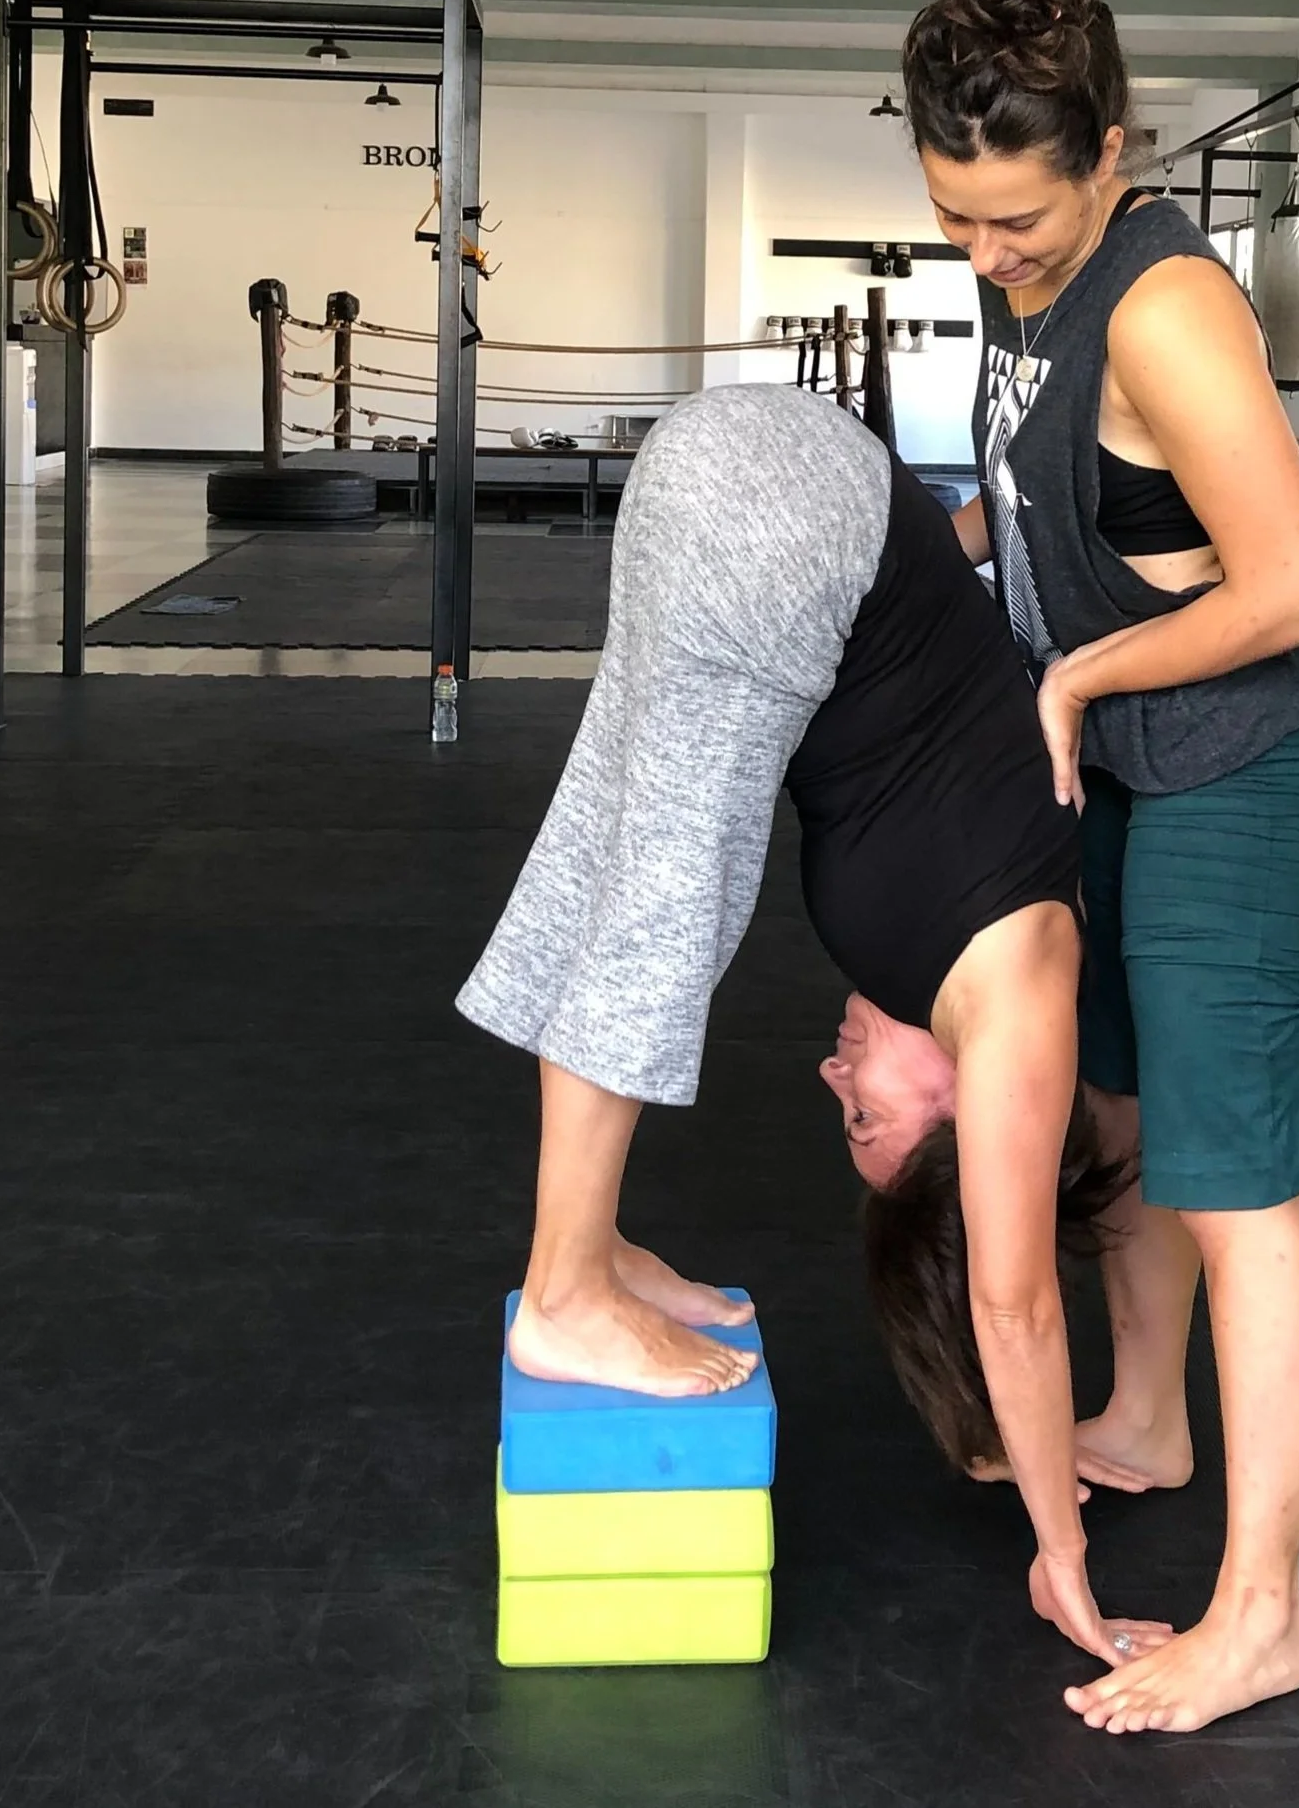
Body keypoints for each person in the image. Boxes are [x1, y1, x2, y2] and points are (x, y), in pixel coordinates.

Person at [458, 381, 1171, 1674]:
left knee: (606, 852)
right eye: (868, 1113)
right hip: (784, 513)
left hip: (749, 477)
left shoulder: (932, 961)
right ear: (970, 1111)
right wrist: (1059, 1548)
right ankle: (564, 1291)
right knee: (671, 906)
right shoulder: (1021, 996)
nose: (832, 1072)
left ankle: (593, 1246)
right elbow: (1009, 1302)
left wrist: (990, 1431)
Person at [897, 0, 1299, 1737]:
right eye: (952, 218)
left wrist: (1074, 675)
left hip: (1235, 768)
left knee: (1236, 1178)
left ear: (1110, 157)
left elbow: (1296, 585)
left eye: (1016, 218)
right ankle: (1150, 1413)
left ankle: (1265, 1611)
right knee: (1116, 1105)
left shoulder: (1162, 308)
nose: (988, 250)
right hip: (1115, 777)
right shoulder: (1032, 271)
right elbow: (1048, 516)